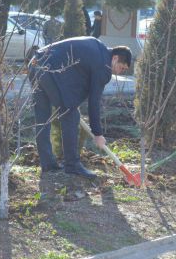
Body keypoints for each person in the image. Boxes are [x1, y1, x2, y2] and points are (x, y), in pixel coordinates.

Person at [28, 37, 131, 179]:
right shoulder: (104, 66)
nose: (119, 72)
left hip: (35, 62)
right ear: (115, 58)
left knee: (42, 118)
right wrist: (98, 134)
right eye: (121, 67)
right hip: (48, 70)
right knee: (70, 115)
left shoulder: (97, 47)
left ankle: (47, 164)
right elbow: (94, 101)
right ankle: (72, 165)